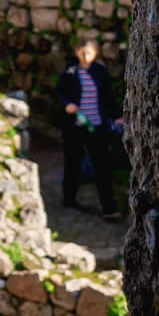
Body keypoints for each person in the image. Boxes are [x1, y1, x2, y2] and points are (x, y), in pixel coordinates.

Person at [53, 35, 121, 219]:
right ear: (76, 52)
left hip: (96, 125)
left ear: (95, 53)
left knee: (102, 165)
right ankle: (69, 199)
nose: (85, 57)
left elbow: (108, 96)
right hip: (75, 126)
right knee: (72, 162)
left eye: (89, 54)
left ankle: (109, 208)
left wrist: (116, 117)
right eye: (82, 53)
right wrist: (67, 104)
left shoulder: (100, 71)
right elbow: (60, 92)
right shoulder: (70, 71)